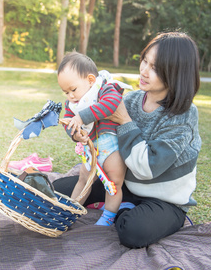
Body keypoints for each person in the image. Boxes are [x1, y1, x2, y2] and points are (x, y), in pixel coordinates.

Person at [54, 32, 201, 248]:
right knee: (60, 189)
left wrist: (125, 120)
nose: (144, 71)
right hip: (127, 183)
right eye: (144, 61)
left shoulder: (183, 115)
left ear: (176, 73)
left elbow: (147, 168)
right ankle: (121, 201)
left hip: (163, 200)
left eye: (155, 68)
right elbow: (97, 127)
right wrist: (78, 133)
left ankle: (123, 209)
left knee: (133, 231)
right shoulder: (130, 99)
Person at [57, 51, 133, 226]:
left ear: (91, 80)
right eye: (65, 92)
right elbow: (68, 121)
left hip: (111, 145)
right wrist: (75, 134)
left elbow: (111, 104)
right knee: (84, 178)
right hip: (91, 149)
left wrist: (82, 117)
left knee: (113, 182)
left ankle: (108, 216)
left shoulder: (105, 88)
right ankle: (70, 211)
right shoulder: (73, 103)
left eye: (73, 89)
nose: (70, 96)